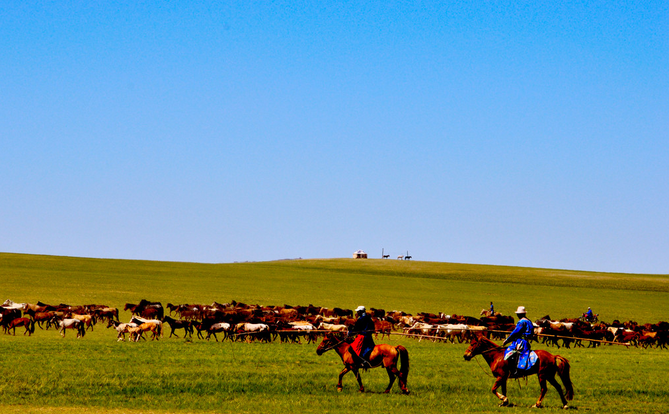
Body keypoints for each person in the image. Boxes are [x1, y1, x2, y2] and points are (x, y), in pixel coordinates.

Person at [502, 306, 534, 376]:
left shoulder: (521, 322)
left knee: (509, 352)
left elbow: (515, 332)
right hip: (526, 341)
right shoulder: (529, 321)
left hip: (521, 342)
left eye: (518, 314)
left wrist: (507, 340)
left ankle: (514, 370)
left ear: (519, 314)